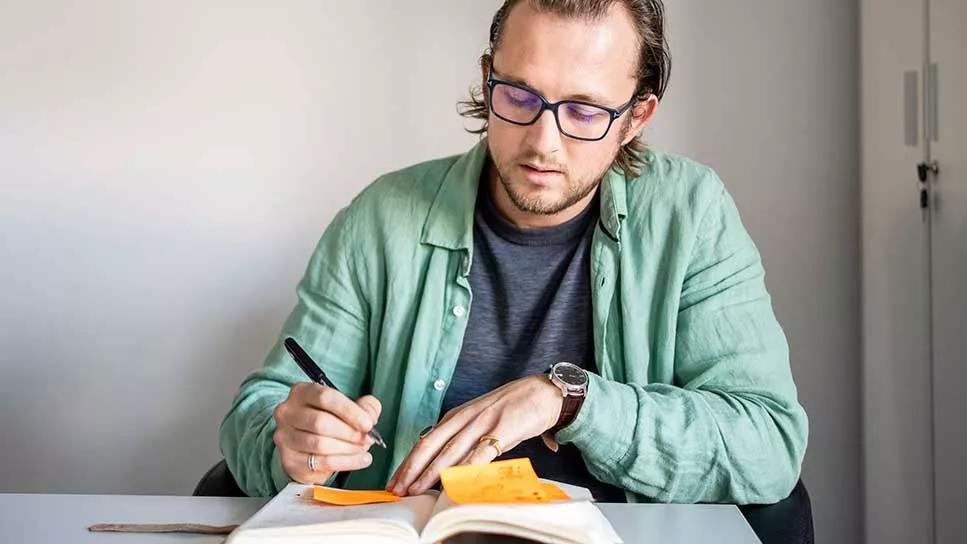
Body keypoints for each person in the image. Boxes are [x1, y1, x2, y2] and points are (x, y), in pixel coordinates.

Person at [219, 0, 808, 504]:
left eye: (585, 111)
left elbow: (768, 443)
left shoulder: (691, 214)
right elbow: (258, 410)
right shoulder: (381, 216)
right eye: (521, 96)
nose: (543, 142)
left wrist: (570, 399)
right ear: (486, 80)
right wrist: (291, 441)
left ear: (636, 118)